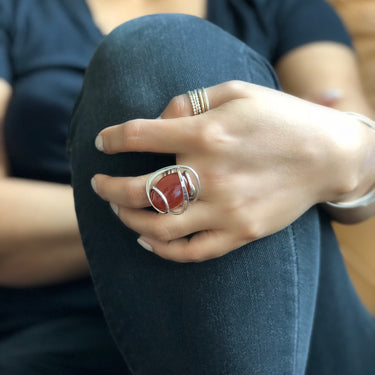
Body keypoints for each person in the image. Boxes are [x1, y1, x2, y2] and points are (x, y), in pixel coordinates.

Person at [1, 0, 374, 374]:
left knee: (169, 47)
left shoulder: (281, 7)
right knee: (154, 50)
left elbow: (362, 165)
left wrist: (344, 150)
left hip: (297, 326)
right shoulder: (17, 11)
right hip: (62, 332)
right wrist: (199, 202)